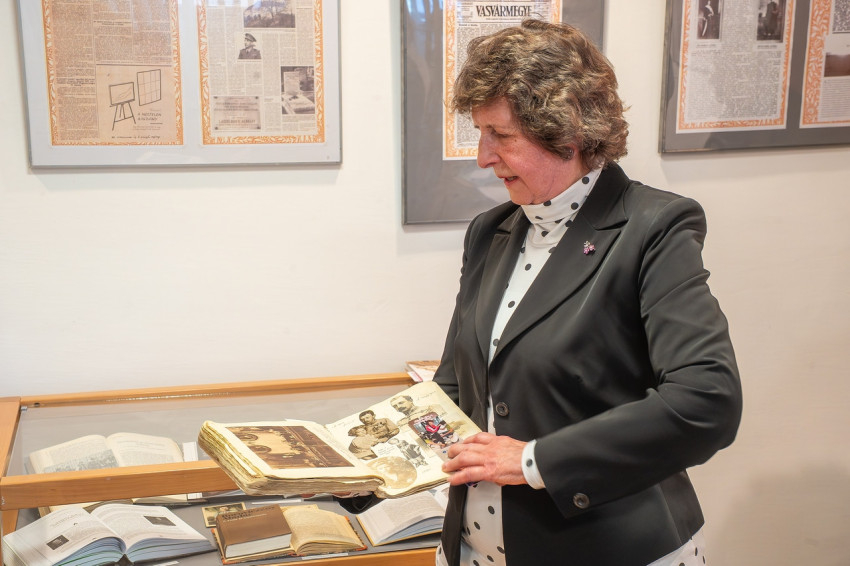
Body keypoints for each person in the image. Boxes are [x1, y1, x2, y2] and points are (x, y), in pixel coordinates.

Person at [432, 20, 742, 566]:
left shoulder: (653, 228)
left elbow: (706, 401)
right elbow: (454, 388)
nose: (483, 157)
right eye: (481, 133)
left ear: (565, 133)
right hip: (474, 549)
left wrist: (533, 461)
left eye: (501, 135)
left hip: (608, 547)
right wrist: (363, 464)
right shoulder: (490, 230)